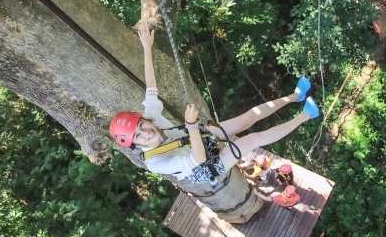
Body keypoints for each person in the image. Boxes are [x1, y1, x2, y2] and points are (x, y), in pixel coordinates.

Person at [109, 22, 319, 184]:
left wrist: (147, 47)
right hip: (203, 166)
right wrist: (191, 126)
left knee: (246, 119)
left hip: (194, 136)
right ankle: (306, 115)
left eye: (141, 125)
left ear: (144, 118)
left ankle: (295, 96)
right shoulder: (155, 162)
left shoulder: (152, 117)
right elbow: (197, 159)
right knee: (252, 139)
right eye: (138, 135)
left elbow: (151, 85)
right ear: (136, 145)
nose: (146, 132)